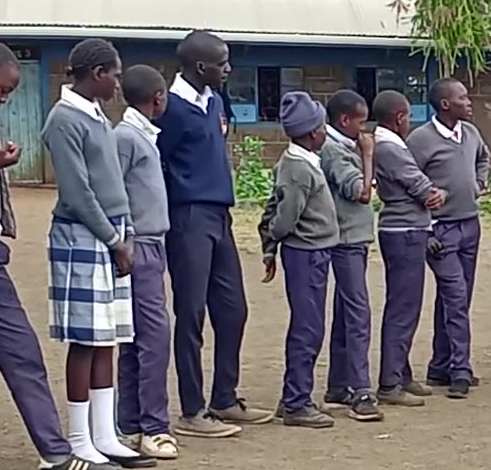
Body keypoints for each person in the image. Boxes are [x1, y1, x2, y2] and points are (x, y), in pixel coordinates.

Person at [0, 41, 121, 470]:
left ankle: (56, 455)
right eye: (4, 88)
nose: (7, 98)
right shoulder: (64, 120)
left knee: (21, 350)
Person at [41, 39, 155, 470]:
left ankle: (105, 434)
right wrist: (114, 240)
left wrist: (122, 234)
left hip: (111, 234)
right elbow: (76, 193)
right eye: (116, 75)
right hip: (84, 237)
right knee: (85, 340)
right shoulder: (64, 120)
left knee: (107, 335)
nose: (119, 82)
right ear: (97, 74)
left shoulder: (96, 115)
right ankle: (78, 438)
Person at [157, 29, 272, 437]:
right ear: (201, 66)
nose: (228, 69)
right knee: (191, 313)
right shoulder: (169, 108)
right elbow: (159, 161)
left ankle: (225, 398)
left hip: (220, 215)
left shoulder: (214, 101)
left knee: (233, 309)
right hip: (188, 217)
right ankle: (192, 410)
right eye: (223, 63)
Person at [259, 92, 340, 428]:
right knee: (308, 327)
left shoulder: (305, 163)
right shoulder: (297, 170)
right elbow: (285, 216)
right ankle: (296, 401)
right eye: (322, 127)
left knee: (310, 324)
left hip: (314, 252)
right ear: (311, 133)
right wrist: (274, 238)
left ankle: (295, 395)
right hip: (305, 254)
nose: (326, 132)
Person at [407, 77, 490, 398]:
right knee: (455, 296)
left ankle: (440, 366)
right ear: (445, 105)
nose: (469, 103)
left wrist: (478, 183)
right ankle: (460, 369)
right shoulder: (421, 141)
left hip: (470, 226)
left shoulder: (470, 133)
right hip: (440, 231)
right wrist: (425, 229)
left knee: (458, 298)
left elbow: (483, 158)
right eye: (463, 98)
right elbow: (406, 184)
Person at [114, 64, 178, 459]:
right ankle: (152, 426)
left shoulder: (141, 135)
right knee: (152, 335)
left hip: (154, 243)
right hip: (141, 245)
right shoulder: (126, 138)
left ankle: (132, 423)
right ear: (158, 97)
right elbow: (113, 191)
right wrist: (127, 241)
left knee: (139, 334)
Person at [372, 90, 444, 406]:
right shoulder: (389, 147)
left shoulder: (389, 144)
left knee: (405, 306)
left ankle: (401, 373)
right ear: (400, 117)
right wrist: (434, 192)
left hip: (406, 228)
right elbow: (418, 184)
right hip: (404, 231)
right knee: (403, 308)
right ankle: (390, 382)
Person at [316, 89, 382, 421]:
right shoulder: (335, 151)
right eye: (360, 121)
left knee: (346, 311)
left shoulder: (336, 146)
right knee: (358, 313)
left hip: (349, 238)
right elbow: (361, 192)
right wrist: (368, 155)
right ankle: (360, 389)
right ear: (344, 120)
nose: (364, 128)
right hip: (345, 240)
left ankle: (339, 383)